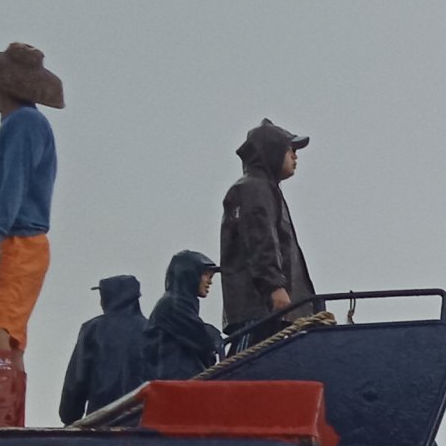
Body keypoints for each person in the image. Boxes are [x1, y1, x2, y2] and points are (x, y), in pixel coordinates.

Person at [0, 42, 62, 427]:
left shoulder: (23, 123)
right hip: (23, 242)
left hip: (14, 240)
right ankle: (7, 419)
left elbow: (14, 180)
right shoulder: (28, 124)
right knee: (9, 334)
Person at [219, 119, 314, 334]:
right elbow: (259, 240)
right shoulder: (254, 189)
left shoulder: (264, 189)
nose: (295, 156)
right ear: (272, 151)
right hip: (263, 311)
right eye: (290, 149)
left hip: (272, 312)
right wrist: (275, 287)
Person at [57, 274, 152, 425]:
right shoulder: (152, 331)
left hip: (100, 424)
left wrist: (69, 416)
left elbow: (77, 381)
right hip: (142, 424)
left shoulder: (92, 329)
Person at [144, 250, 226, 381]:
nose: (210, 282)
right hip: (175, 381)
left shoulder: (179, 304)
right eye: (206, 275)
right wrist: (214, 336)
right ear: (190, 275)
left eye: (211, 277)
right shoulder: (172, 305)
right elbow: (202, 337)